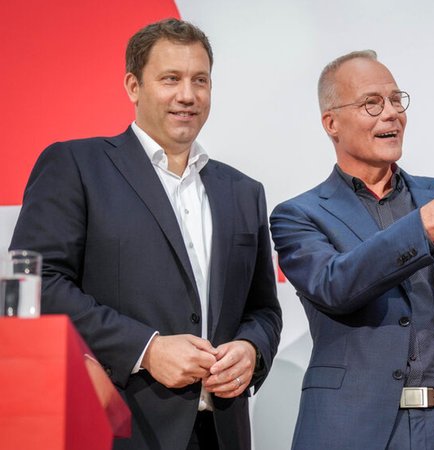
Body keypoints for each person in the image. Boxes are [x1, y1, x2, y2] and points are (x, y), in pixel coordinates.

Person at [10, 18, 282, 450]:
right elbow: (34, 284)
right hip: (117, 429)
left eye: (199, 80)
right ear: (133, 86)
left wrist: (252, 349)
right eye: (170, 79)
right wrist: (146, 349)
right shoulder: (76, 166)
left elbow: (263, 309)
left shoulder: (243, 191)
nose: (187, 95)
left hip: (223, 433)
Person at [269, 50, 434, 450]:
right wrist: (429, 220)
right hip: (352, 430)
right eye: (371, 103)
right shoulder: (299, 215)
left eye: (395, 100)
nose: (390, 113)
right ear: (331, 123)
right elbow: (336, 285)